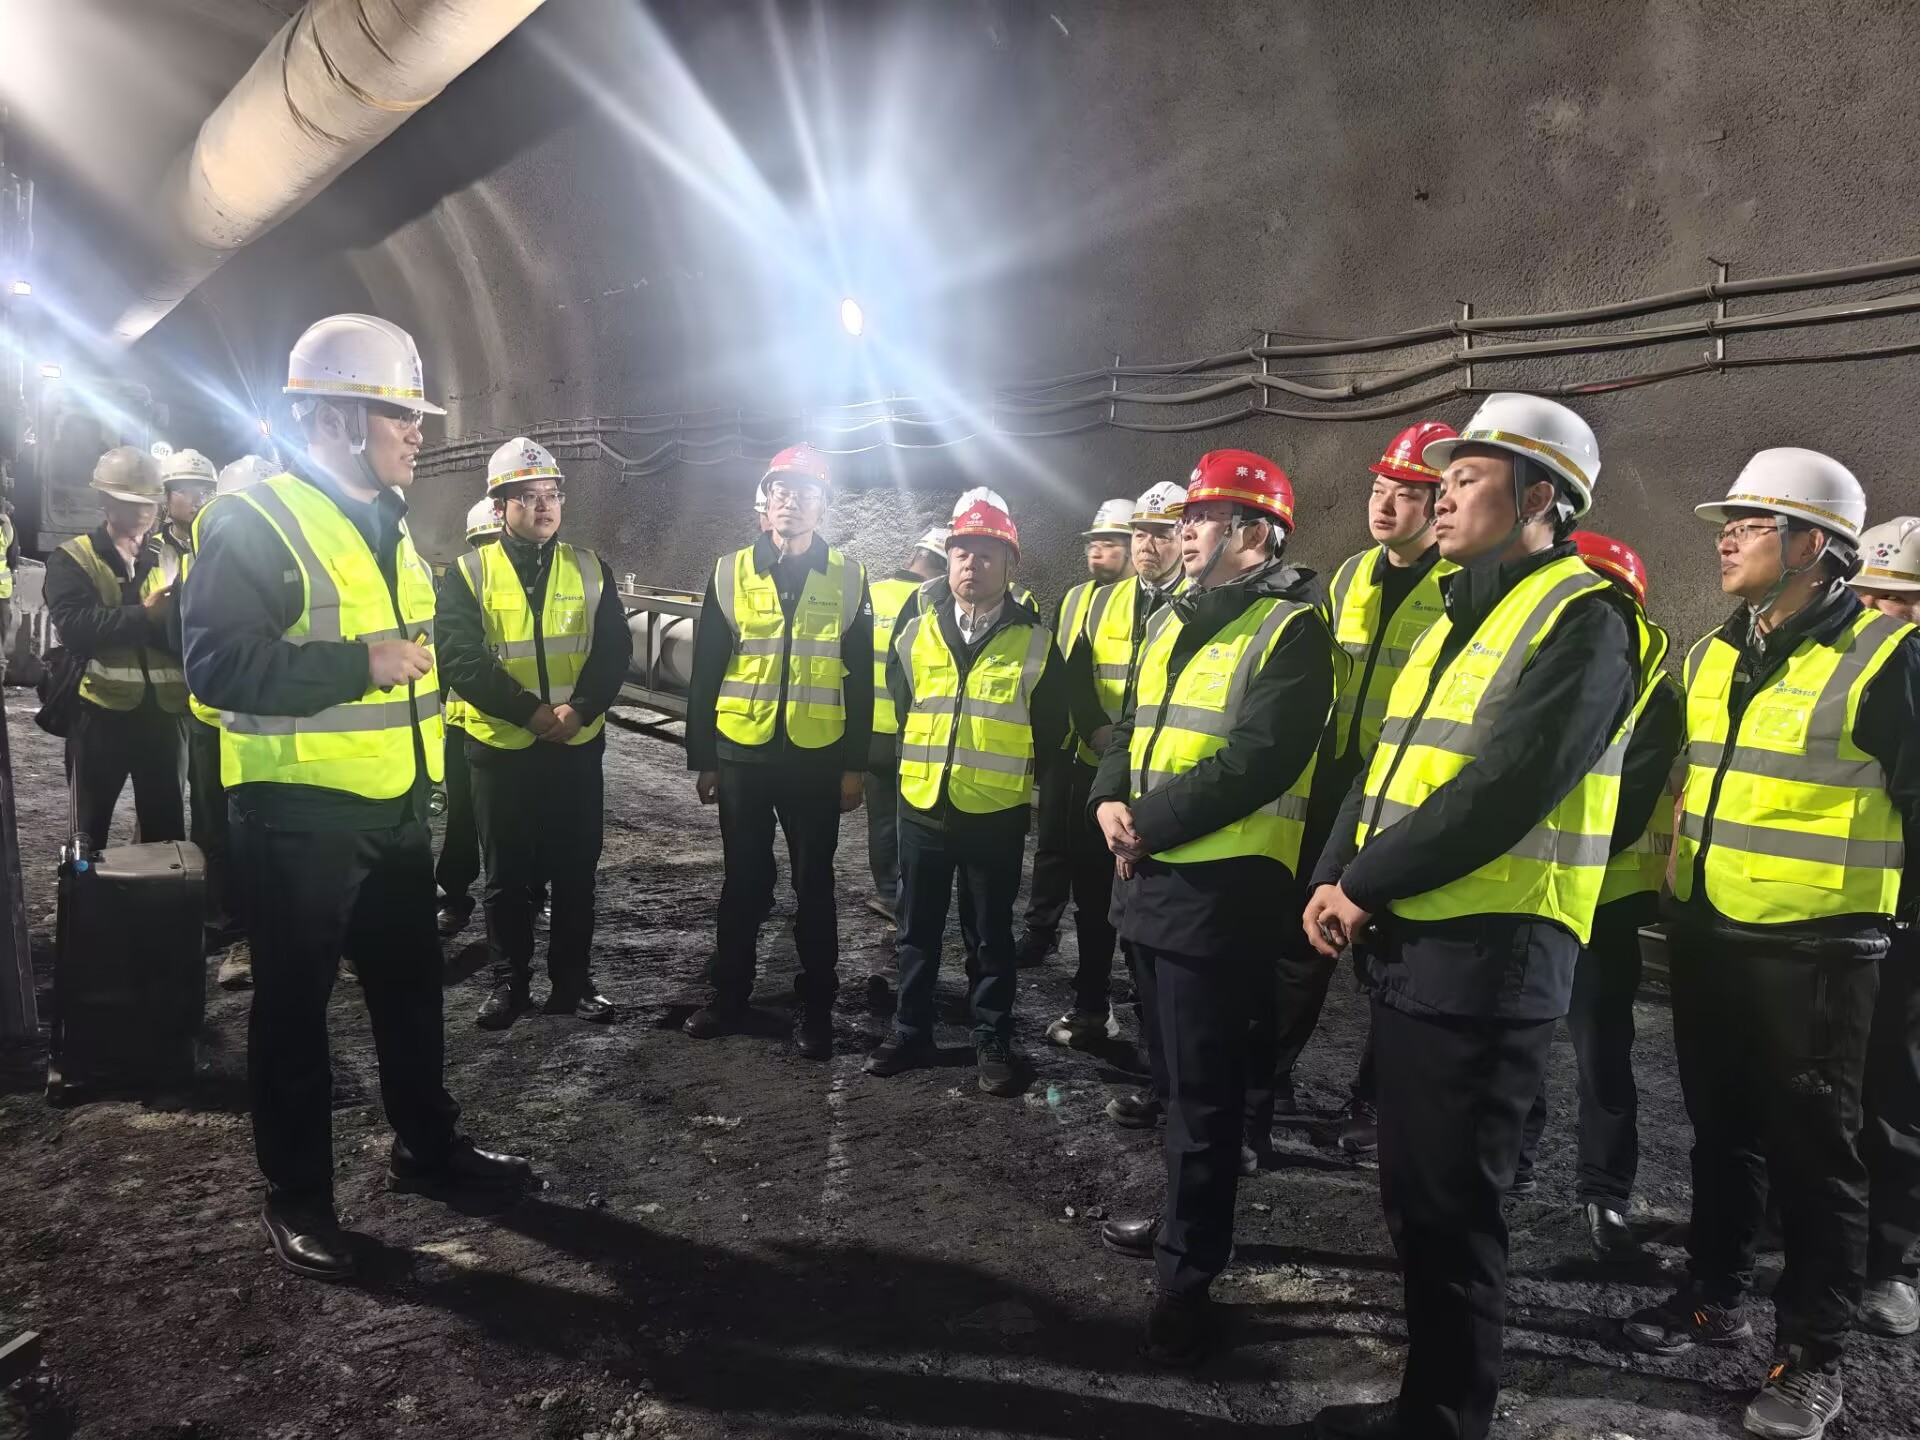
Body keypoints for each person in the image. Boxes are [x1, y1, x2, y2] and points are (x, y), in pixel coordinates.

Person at [1302, 393, 1639, 1440]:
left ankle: (1446, 1421)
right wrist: (1335, 872)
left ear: (1539, 498)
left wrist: (1363, 884)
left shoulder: (1587, 620)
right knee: (1417, 1202)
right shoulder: (1463, 613)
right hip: (1424, 945)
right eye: (1441, 479)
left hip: (1496, 955)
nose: (1441, 495)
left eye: (1467, 477)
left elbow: (1504, 790)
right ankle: (1428, 1408)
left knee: (1455, 1217)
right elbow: (1387, 766)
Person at [182, 313, 531, 1283]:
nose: (418, 432)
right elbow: (213, 669)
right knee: (294, 1015)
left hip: (392, 807)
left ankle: (427, 1147)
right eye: (399, 415)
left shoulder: (389, 521)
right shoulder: (253, 521)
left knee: (411, 996)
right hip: (297, 815)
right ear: (334, 419)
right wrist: (357, 663)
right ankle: (297, 1199)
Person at [1625, 452, 1920, 1440]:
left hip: (1820, 950)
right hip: (1711, 932)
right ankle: (1714, 1295)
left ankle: (1813, 1356)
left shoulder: (1886, 658)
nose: (1727, 539)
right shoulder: (1715, 653)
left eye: (1752, 524)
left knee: (1817, 1159)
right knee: (1722, 1133)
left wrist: (1893, 931)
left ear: (1812, 547)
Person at [1090, 451, 1338, 1365]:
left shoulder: (1294, 631)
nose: (1183, 531)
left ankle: (1187, 1276)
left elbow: (1260, 759)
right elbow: (1130, 727)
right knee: (1170, 1083)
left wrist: (1146, 824)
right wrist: (1107, 799)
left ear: (1254, 533)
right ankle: (1179, 1224)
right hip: (1151, 882)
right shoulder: (1169, 620)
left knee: (1205, 1095)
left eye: (1202, 517)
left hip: (1221, 893)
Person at [1272, 421, 1456, 1155]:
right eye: (1379, 490)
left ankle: (1373, 1104)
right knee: (1302, 939)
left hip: (1405, 790)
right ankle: (1272, 1080)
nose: (1384, 505)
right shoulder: (1349, 575)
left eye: (1404, 494)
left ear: (1437, 504)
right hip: (1334, 781)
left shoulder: (1460, 584)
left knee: (1390, 958)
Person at [865, 488, 1087, 1095]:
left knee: (989, 936)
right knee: (915, 930)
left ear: (1011, 566)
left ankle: (992, 1037)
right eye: (962, 552)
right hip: (923, 807)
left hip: (995, 813)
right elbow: (906, 704)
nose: (971, 565)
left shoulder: (1036, 642)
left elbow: (1048, 731)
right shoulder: (915, 632)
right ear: (949, 558)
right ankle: (911, 1030)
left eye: (986, 555)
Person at [1512, 532, 1681, 1256]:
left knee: (1599, 1052)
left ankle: (1604, 1193)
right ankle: (1512, 1168)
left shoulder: (1656, 691)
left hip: (1601, 901)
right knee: (1519, 1040)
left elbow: (1630, 802)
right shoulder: (1532, 664)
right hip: (1533, 889)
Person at [683, 443, 872, 1059]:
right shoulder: (728, 572)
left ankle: (816, 1006)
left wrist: (854, 765)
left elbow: (860, 679)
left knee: (814, 884)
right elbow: (707, 669)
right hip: (743, 752)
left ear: (823, 504)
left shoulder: (849, 577)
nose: (791, 501)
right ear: (765, 501)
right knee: (742, 880)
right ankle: (729, 995)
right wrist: (703, 757)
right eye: (781, 491)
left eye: (805, 492)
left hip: (817, 757)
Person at [437, 439, 631, 1029]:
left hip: (575, 747)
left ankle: (573, 983)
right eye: (528, 496)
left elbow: (613, 650)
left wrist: (581, 709)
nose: (544, 506)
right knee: (506, 877)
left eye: (551, 494)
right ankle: (510, 984)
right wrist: (529, 712)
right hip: (501, 748)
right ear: (501, 507)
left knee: (575, 873)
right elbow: (460, 657)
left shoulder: (591, 568)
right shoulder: (468, 573)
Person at [1048, 483, 1187, 1089]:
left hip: (1159, 779)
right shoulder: (1102, 602)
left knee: (1150, 910)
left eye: (1162, 533)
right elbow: (1074, 675)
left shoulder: (1198, 601)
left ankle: (1157, 1032)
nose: (1148, 545)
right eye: (1141, 534)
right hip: (1096, 769)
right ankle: (1090, 1006)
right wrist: (1098, 732)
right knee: (1092, 900)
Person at [1848, 516, 1920, 1337]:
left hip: (1906, 923)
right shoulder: (1842, 674)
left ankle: (1888, 1262)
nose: (1874, 612)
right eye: (1864, 595)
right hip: (1838, 914)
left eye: (1894, 600)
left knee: (1895, 1092)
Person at [44, 445, 188, 853]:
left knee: (166, 837)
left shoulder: (172, 556)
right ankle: (83, 895)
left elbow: (188, 627)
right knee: (88, 833)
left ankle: (157, 896)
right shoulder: (74, 558)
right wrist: (145, 617)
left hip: (164, 715)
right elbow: (76, 628)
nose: (142, 511)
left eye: (149, 502)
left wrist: (150, 624)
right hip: (99, 712)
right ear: (104, 501)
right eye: (129, 501)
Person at [1015, 498, 1136, 967]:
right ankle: (1040, 930)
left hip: (1114, 752)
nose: (1096, 552)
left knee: (1102, 860)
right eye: (1092, 544)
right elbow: (1058, 670)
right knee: (1051, 846)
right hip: (1067, 747)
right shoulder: (1072, 597)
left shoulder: (1147, 601)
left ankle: (1115, 954)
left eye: (1109, 543)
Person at [155, 449, 233, 947]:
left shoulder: (211, 550)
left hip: (212, 703)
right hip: (179, 699)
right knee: (202, 816)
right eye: (187, 489)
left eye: (205, 489)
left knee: (219, 816)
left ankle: (226, 915)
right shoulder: (158, 550)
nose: (198, 498)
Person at [865, 527, 949, 924]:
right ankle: (912, 898)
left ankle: (887, 892)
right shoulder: (933, 603)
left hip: (870, 734)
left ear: (915, 555)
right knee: (914, 823)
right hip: (915, 735)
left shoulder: (872, 593)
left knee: (882, 820)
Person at [435, 498, 505, 940]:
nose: (489, 551)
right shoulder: (458, 587)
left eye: (496, 540)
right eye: (483, 542)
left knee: (524, 820)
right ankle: (454, 896)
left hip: (518, 728)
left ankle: (532, 893)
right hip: (465, 726)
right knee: (462, 817)